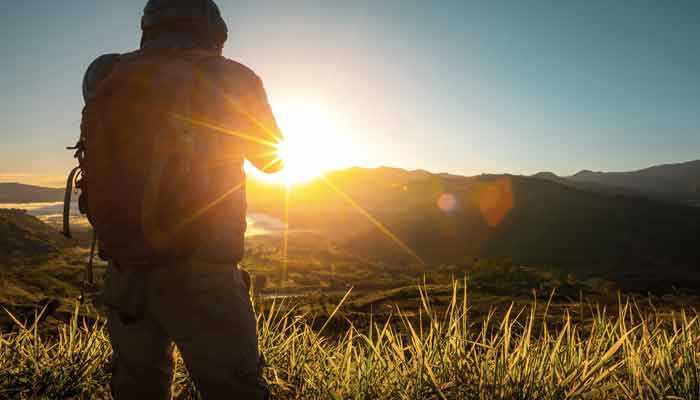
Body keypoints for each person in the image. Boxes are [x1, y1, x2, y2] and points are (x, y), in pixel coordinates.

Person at [81, 1, 284, 398]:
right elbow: (272, 160)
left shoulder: (106, 72)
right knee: (234, 389)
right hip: (202, 270)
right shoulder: (232, 76)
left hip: (124, 270)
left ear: (148, 24)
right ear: (214, 28)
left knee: (137, 387)